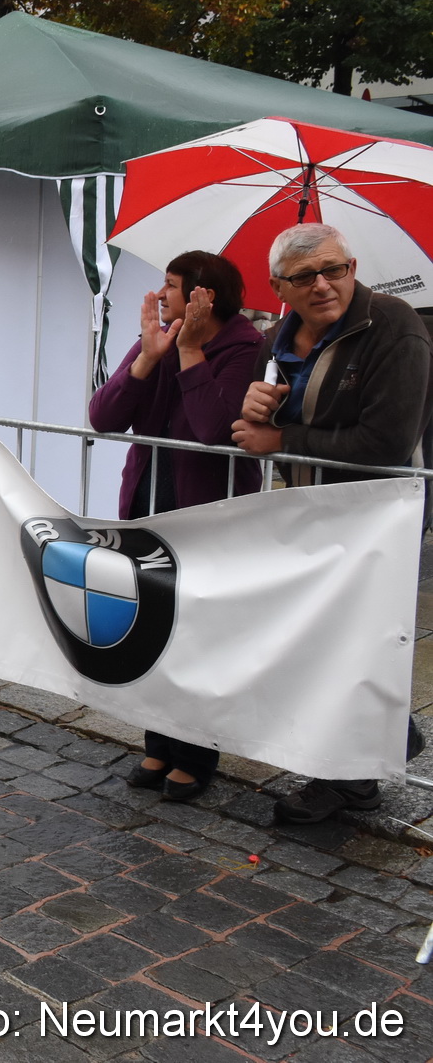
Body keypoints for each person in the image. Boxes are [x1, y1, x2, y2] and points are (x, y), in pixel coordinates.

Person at [231, 223, 433, 825]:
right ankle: (375, 749)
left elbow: (387, 442)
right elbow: (255, 427)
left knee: (350, 642)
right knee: (322, 641)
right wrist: (255, 409)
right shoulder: (277, 339)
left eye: (335, 269)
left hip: (378, 517)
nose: (323, 284)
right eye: (304, 277)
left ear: (351, 266)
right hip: (309, 510)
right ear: (278, 288)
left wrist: (282, 436)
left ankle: (350, 776)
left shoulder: (394, 325)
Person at [89, 251, 263, 802]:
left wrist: (188, 352)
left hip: (207, 509)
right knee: (150, 622)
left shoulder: (243, 345)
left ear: (202, 296)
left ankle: (196, 753)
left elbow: (214, 426)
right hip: (147, 502)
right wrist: (146, 356)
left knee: (195, 630)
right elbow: (104, 417)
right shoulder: (157, 338)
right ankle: (159, 740)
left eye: (170, 286)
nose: (159, 295)